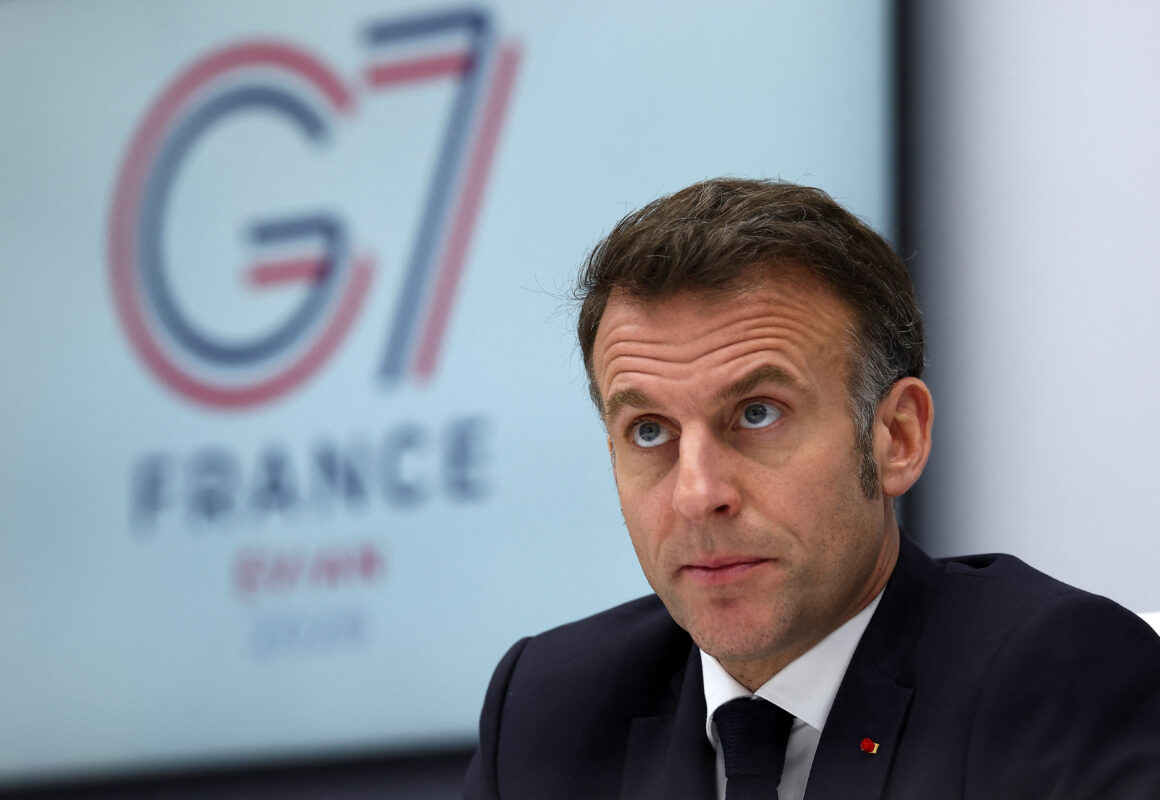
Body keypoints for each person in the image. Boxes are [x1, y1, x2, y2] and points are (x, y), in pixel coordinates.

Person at [464, 178, 1160, 799]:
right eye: (649, 431)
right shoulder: (546, 715)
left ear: (897, 438)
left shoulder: (1054, 680)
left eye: (757, 414)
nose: (697, 493)